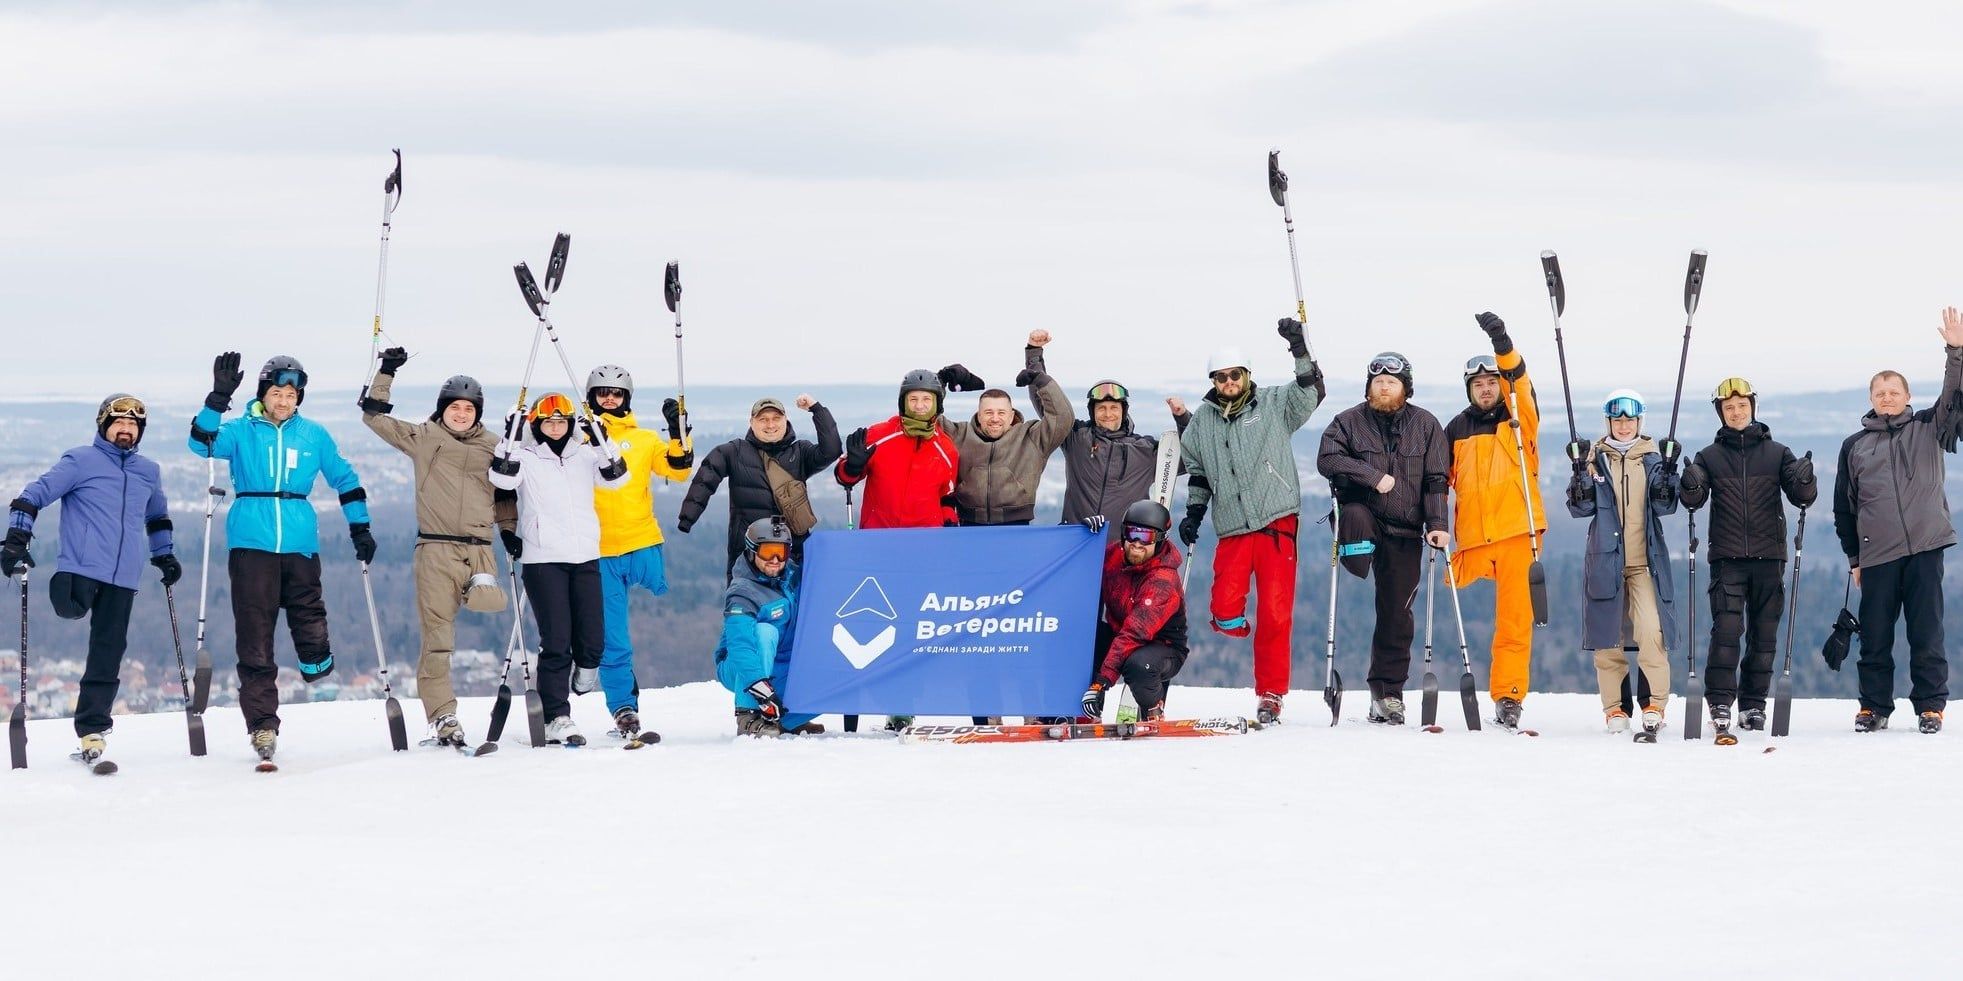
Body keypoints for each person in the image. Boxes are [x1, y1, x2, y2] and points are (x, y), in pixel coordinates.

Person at [188, 353, 373, 763]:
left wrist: (359, 526)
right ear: (263, 395)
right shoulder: (242, 431)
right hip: (251, 542)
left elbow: (345, 478)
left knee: (309, 611)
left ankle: (315, 665)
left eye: (291, 394)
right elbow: (200, 444)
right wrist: (218, 398)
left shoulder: (313, 435)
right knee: (255, 635)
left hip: (300, 538)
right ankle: (262, 726)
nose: (284, 401)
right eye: (277, 393)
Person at [3, 395, 177, 762]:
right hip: (81, 566)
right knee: (68, 607)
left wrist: (164, 554)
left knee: (108, 651)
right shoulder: (80, 460)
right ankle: (60, 584)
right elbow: (34, 494)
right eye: (119, 423)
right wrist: (17, 536)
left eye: (133, 425)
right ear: (104, 426)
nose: (126, 430)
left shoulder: (149, 470)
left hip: (124, 575)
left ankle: (93, 729)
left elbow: (157, 517)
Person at [360, 348, 516, 746]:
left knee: (489, 607)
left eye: (468, 408)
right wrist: (387, 371)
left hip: (480, 548)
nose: (461, 414)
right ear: (442, 409)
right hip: (436, 550)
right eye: (454, 407)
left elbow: (505, 493)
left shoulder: (495, 445)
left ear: (477, 412)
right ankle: (443, 715)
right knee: (438, 638)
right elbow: (373, 416)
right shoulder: (425, 438)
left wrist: (510, 530)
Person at [1179, 317, 1325, 724]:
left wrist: (1299, 349)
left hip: (1277, 522)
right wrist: (1194, 512)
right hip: (1233, 527)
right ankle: (1239, 628)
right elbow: (1199, 473)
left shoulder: (1275, 404)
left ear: (1246, 375)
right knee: (1224, 610)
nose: (1228, 381)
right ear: (1214, 380)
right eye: (1221, 376)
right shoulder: (1201, 425)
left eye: (1234, 375)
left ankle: (1271, 693)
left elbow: (1312, 391)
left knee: (1276, 615)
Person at [1831, 308, 1963, 734]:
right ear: (1871, 399)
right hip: (1877, 554)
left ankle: (1930, 706)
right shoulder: (1854, 446)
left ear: (1907, 397)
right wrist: (1855, 558)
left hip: (1925, 548)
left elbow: (1953, 396)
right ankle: (1873, 707)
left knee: (1927, 633)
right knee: (1875, 638)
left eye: (1893, 392)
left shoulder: (1929, 426)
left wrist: (1956, 351)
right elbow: (1844, 508)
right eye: (1879, 393)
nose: (1886, 398)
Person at [1317, 352, 1451, 726]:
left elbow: (1436, 480)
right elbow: (1327, 459)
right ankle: (1358, 556)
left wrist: (1438, 523)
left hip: (1406, 531)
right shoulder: (1347, 422)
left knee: (1396, 613)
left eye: (1392, 382)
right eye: (1378, 382)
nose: (1385, 386)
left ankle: (1387, 694)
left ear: (1405, 388)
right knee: (1357, 514)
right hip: (1363, 522)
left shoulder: (1426, 425)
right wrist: (1371, 476)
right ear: (1369, 386)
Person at [1678, 376, 1817, 736]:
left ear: (1752, 408)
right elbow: (1693, 501)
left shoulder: (1777, 453)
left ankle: (1754, 705)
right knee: (1726, 632)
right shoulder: (1709, 456)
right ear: (1720, 413)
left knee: (1764, 636)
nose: (1736, 412)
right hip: (1727, 559)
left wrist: (1804, 479)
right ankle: (1720, 702)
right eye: (1729, 408)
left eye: (1742, 406)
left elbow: (1802, 497)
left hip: (1770, 557)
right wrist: (1691, 481)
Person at [489, 393, 629, 746]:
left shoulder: (584, 455)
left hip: (584, 555)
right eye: (548, 421)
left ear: (570, 423)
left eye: (561, 421)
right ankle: (557, 716)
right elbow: (502, 479)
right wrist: (511, 432)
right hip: (543, 559)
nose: (555, 427)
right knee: (556, 641)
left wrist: (601, 439)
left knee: (593, 639)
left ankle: (586, 670)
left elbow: (616, 478)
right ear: (537, 424)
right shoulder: (526, 456)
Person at [1443, 312, 1546, 729]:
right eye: (1478, 384)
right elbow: (1437, 480)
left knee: (1514, 621)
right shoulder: (1455, 429)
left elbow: (1520, 383)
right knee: (1431, 601)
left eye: (1491, 383)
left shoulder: (1519, 420)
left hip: (1517, 534)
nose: (1486, 389)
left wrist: (1502, 342)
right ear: (1469, 390)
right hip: (1470, 542)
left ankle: (1508, 695)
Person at [585, 365, 692, 743]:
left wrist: (678, 434)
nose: (609, 399)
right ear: (592, 396)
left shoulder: (644, 440)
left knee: (675, 606)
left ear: (626, 399)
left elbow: (678, 470)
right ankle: (623, 707)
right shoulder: (581, 439)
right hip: (597, 550)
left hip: (642, 542)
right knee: (615, 637)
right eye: (602, 393)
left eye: (616, 394)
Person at [1566, 389, 1681, 737]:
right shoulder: (1593, 460)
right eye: (1618, 420)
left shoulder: (1653, 460)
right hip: (1605, 561)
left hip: (1645, 562)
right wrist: (1578, 474)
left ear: (1639, 421)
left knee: (1651, 631)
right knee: (1607, 637)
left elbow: (1666, 507)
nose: (1624, 426)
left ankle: (1654, 705)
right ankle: (1614, 707)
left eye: (1630, 419)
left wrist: (1671, 474)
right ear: (1609, 423)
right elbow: (1580, 508)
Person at [676, 394, 840, 576]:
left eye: (776, 419)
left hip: (793, 554)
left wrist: (816, 409)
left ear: (786, 420)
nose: (770, 425)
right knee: (745, 602)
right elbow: (706, 478)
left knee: (798, 603)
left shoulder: (800, 452)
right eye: (763, 419)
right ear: (752, 422)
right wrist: (687, 517)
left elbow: (831, 450)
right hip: (749, 556)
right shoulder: (734, 452)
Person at [942, 330, 1072, 527]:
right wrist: (940, 380)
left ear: (1012, 415)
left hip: (1016, 528)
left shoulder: (1031, 438)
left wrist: (1042, 381)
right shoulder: (959, 434)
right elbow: (922, 415)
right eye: (988, 413)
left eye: (1001, 413)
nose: (995, 419)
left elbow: (1062, 418)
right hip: (968, 527)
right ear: (978, 414)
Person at [1079, 500, 1188, 723]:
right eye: (1131, 533)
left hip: (1162, 648)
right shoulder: (1113, 557)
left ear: (1159, 540)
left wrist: (1101, 682)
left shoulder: (1162, 581)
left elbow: (1134, 633)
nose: (1137, 543)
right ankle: (1085, 713)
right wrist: (1085, 536)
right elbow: (1080, 564)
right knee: (1084, 640)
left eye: (1146, 537)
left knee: (1138, 664)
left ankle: (1152, 711)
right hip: (1120, 634)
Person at [715, 516, 824, 737]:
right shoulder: (743, 592)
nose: (775, 559)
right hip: (740, 665)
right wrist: (761, 690)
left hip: (781, 662)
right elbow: (741, 647)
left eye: (781, 552)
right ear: (752, 551)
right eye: (767, 552)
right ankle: (748, 717)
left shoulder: (792, 577)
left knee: (830, 683)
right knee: (764, 632)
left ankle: (785, 722)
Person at [835, 369, 966, 529]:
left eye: (926, 399)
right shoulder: (879, 436)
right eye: (913, 399)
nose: (919, 405)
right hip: (879, 535)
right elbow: (844, 477)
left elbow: (947, 495)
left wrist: (949, 519)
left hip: (926, 539)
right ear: (903, 402)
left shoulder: (946, 449)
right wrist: (851, 468)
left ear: (937, 403)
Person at [1060, 379, 1189, 538]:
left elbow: (1188, 460)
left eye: (1114, 407)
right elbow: (1054, 412)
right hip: (1076, 543)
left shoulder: (1144, 450)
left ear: (1124, 411)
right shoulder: (1077, 439)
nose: (1108, 414)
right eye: (1101, 408)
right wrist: (1036, 363)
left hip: (1124, 550)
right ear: (1092, 412)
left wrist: (1183, 418)